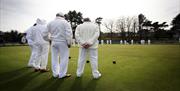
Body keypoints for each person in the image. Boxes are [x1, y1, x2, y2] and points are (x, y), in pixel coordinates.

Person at [45, 12, 72, 78]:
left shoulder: (50, 23)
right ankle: (62, 74)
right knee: (64, 58)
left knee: (54, 58)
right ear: (63, 16)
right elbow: (69, 34)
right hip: (63, 42)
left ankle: (55, 74)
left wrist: (49, 39)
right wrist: (69, 43)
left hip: (54, 42)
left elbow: (44, 34)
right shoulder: (65, 22)